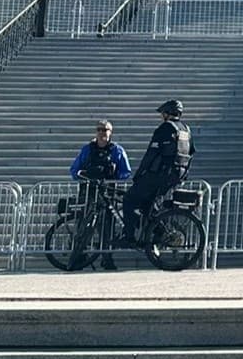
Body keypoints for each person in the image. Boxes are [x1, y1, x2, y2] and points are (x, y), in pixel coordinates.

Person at [121, 100, 193, 246]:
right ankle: (156, 234)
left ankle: (129, 237)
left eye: (162, 113)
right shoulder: (186, 129)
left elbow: (151, 153)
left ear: (167, 113)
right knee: (148, 205)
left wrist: (139, 174)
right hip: (176, 175)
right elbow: (191, 153)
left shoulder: (165, 128)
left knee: (129, 199)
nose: (161, 116)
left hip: (159, 174)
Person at [70, 119, 130, 271]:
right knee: (84, 225)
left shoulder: (117, 150)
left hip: (107, 194)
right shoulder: (87, 149)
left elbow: (126, 172)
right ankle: (79, 256)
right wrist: (83, 176)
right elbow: (74, 170)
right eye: (99, 129)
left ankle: (107, 258)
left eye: (105, 130)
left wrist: (112, 177)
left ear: (111, 132)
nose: (102, 132)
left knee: (107, 227)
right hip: (88, 193)